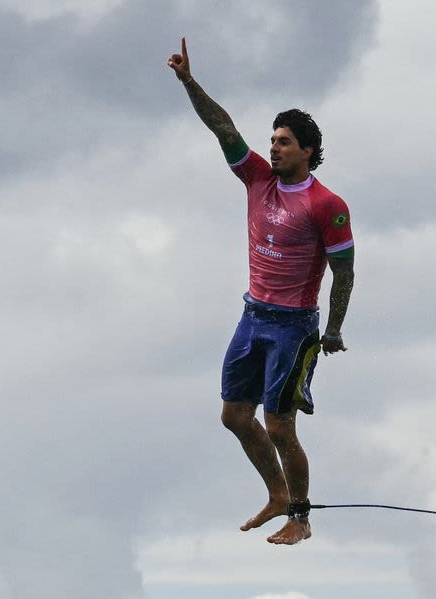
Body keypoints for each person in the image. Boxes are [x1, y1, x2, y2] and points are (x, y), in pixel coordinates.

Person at [167, 38, 355, 545]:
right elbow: (222, 127)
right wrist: (189, 82)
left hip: (294, 327)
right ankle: (276, 493)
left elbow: (344, 271)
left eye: (284, 142)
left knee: (279, 425)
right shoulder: (256, 179)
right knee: (234, 416)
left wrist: (333, 328)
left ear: (308, 151)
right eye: (272, 140)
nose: (273, 147)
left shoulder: (326, 204)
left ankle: (300, 515)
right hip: (253, 315)